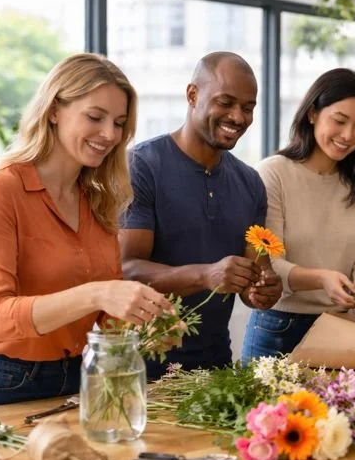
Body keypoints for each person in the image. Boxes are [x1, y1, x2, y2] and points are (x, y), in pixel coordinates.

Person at [0, 53, 173, 405]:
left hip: (81, 378)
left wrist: (146, 323)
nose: (109, 134)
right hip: (7, 382)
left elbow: (106, 319)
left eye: (120, 123)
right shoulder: (4, 191)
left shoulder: (98, 201)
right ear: (54, 110)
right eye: (95, 117)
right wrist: (96, 294)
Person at [120, 52, 282, 379]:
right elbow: (125, 270)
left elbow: (256, 275)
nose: (238, 117)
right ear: (192, 95)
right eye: (226, 102)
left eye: (248, 108)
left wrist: (263, 290)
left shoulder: (251, 183)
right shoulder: (141, 165)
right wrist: (205, 275)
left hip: (216, 367)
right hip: (142, 367)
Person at [240, 68, 355, 362]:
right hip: (278, 327)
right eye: (339, 121)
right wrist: (323, 278)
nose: (348, 135)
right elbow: (269, 264)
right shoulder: (273, 173)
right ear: (312, 113)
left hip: (342, 328)